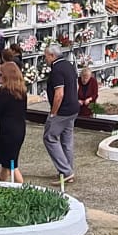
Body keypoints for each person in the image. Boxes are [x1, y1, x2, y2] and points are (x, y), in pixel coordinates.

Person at [41, 41, 79, 186]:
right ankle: (68, 171)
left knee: (49, 137)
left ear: (52, 55)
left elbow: (59, 94)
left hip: (62, 111)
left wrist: (53, 113)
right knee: (67, 140)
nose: (45, 59)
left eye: (46, 56)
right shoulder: (69, 65)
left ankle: (66, 171)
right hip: (73, 108)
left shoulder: (56, 70)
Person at [0, 52, 28, 184]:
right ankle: (0, 186)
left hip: (7, 132)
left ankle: (23, 189)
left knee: (12, 165)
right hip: (20, 129)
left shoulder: (4, 92)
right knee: (7, 163)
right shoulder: (22, 91)